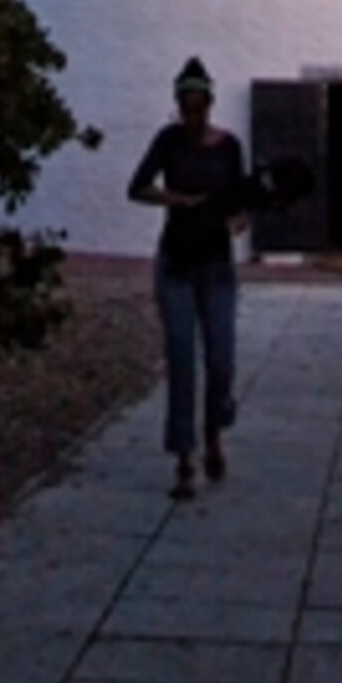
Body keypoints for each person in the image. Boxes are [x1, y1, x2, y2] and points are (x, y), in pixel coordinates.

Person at [128, 54, 255, 499]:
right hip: (176, 264)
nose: (192, 114)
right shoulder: (168, 140)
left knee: (221, 360)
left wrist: (239, 221)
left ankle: (215, 433)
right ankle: (184, 458)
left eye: (199, 106)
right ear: (178, 104)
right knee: (182, 361)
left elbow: (240, 200)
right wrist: (176, 200)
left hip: (217, 265)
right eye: (186, 106)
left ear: (210, 104)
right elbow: (137, 186)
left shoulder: (229, 146)